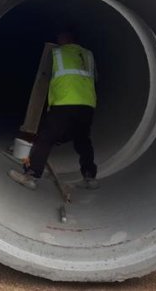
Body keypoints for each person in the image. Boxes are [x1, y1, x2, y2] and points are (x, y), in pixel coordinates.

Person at [8, 30, 98, 190]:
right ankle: (90, 177)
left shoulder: (57, 53)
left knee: (45, 138)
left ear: (67, 38)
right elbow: (95, 77)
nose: (57, 39)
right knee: (83, 140)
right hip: (87, 104)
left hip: (64, 102)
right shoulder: (88, 54)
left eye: (60, 36)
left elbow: (43, 75)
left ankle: (31, 175)